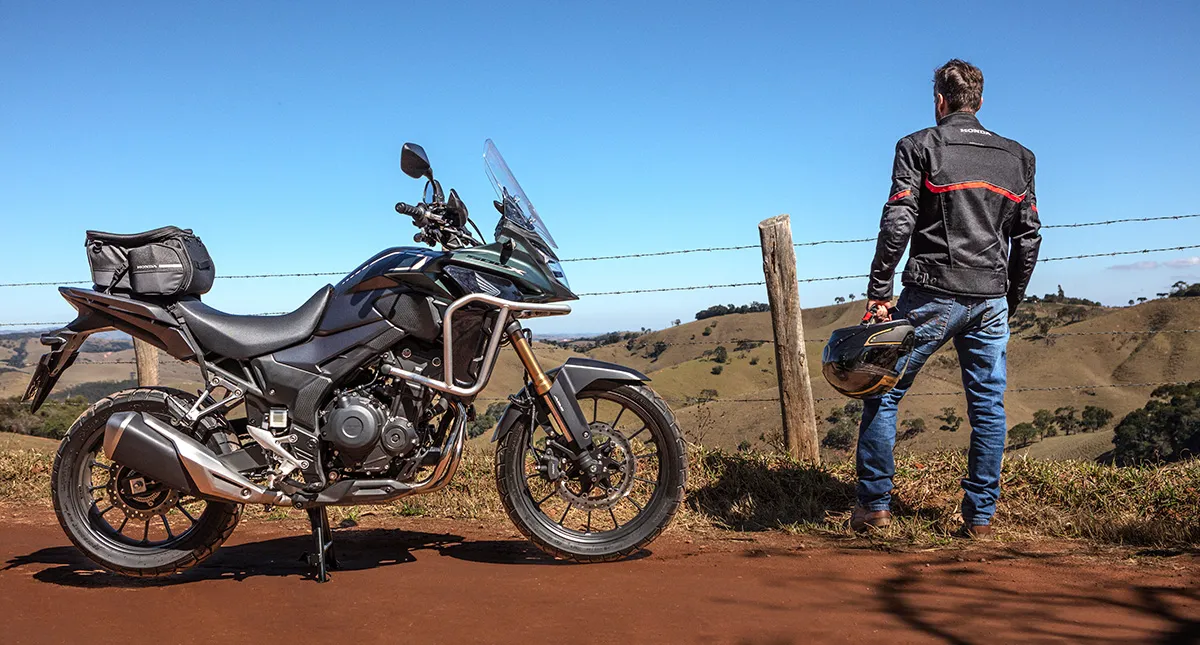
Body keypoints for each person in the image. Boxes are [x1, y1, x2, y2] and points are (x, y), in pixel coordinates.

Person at [853, 59, 1041, 538]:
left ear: (940, 99)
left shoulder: (918, 146)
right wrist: (1009, 298)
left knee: (884, 391)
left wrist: (879, 291)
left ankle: (875, 506)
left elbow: (898, 222)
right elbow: (1029, 236)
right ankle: (979, 518)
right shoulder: (1020, 158)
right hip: (991, 296)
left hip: (930, 292)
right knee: (988, 408)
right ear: (979, 101)